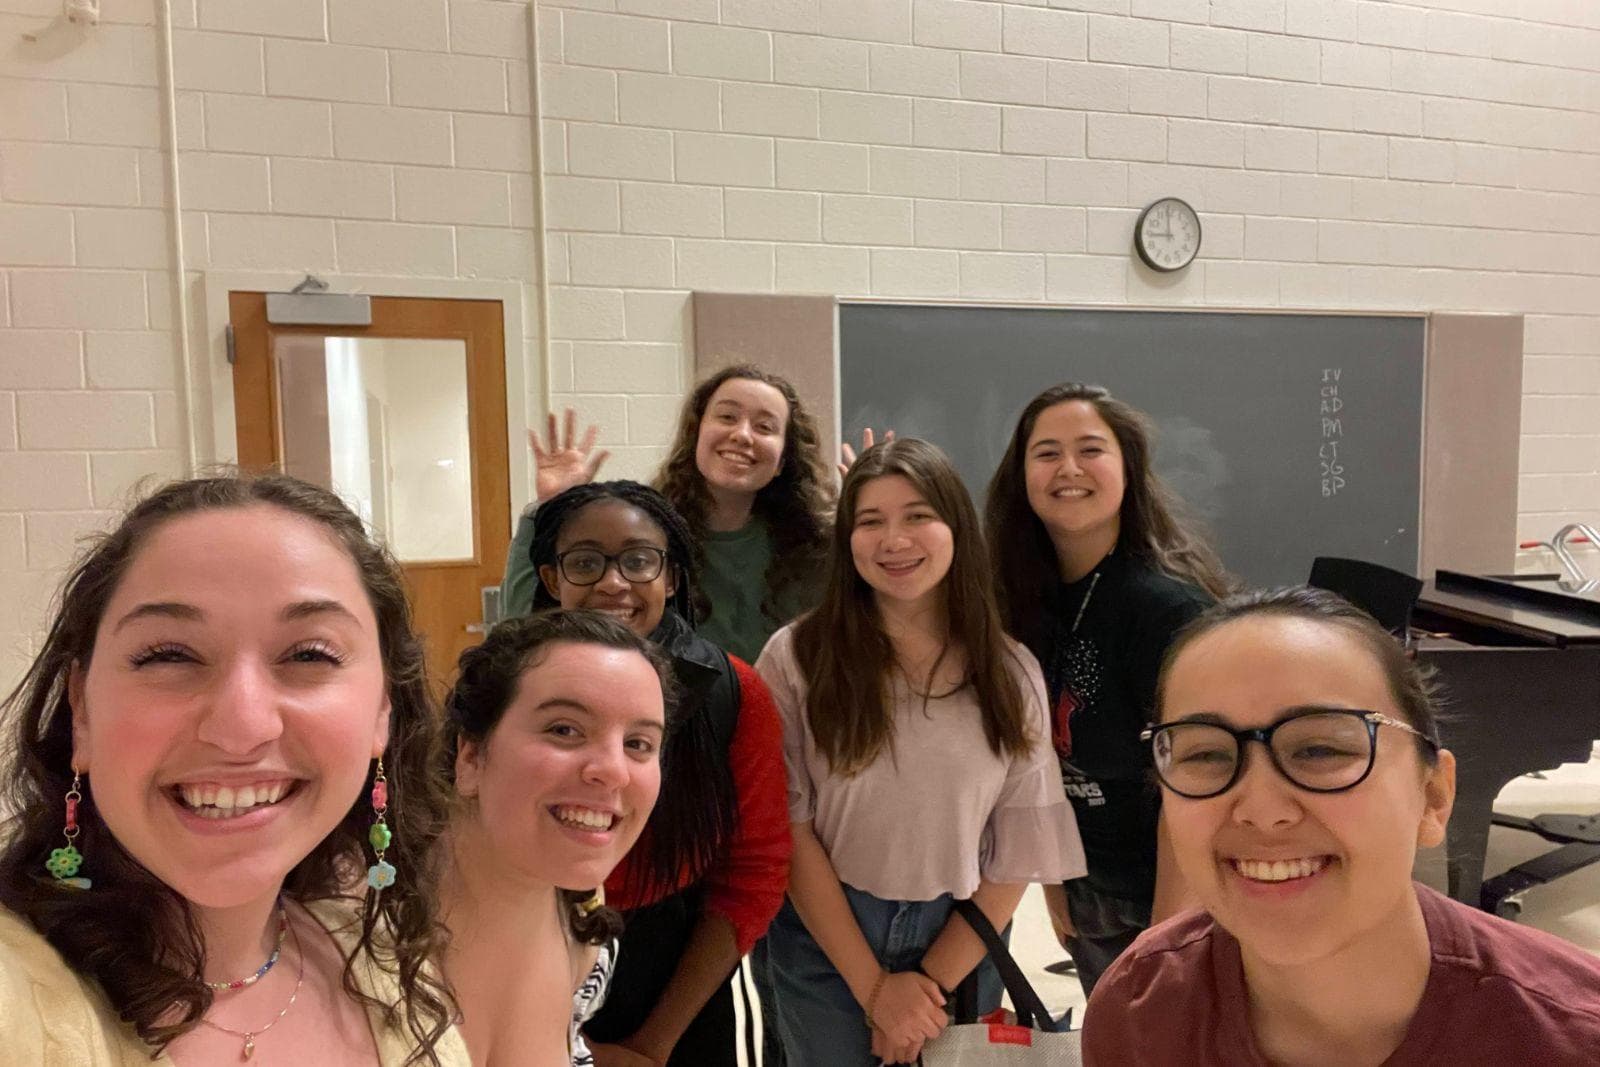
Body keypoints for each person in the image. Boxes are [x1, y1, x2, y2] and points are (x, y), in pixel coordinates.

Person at [0, 473, 465, 1065]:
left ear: (382, 712)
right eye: (168, 655)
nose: (241, 726)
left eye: (308, 654)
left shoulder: (375, 957)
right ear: (82, 710)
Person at [1083, 586, 1600, 1065]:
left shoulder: (1571, 1036)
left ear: (1434, 797)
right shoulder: (1140, 1011)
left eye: (1320, 749)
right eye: (1207, 755)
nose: (1261, 808)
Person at [757, 438, 1085, 1066]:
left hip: (963, 934)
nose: (893, 540)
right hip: (827, 938)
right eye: (870, 521)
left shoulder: (1009, 670)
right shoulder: (796, 658)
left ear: (956, 527)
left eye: (917, 516)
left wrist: (925, 988)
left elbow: (1018, 846)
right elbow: (790, 830)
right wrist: (876, 991)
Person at [529, 481, 792, 1066]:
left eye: (639, 560)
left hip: (681, 976)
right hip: (527, 956)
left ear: (671, 578)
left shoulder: (734, 693)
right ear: (552, 580)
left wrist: (652, 1047)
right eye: (586, 561)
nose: (613, 582)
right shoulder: (511, 692)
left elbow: (754, 870)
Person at [984, 382, 1231, 995]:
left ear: (1128, 469)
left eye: (1090, 449)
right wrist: (1054, 879)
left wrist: (1168, 934)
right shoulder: (1020, 598)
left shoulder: (1167, 607)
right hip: (1088, 887)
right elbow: (1032, 753)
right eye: (1046, 453)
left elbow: (1193, 777)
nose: (1067, 468)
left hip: (1168, 897)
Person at [440, 610, 675, 1067]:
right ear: (470, 757)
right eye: (564, 729)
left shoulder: (583, 925)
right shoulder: (338, 939)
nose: (613, 770)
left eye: (639, 744)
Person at [501, 365, 834, 664]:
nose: (742, 435)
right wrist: (550, 509)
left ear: (781, 461)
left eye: (764, 426)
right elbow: (522, 633)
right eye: (727, 417)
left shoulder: (815, 546)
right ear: (696, 434)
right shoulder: (641, 534)